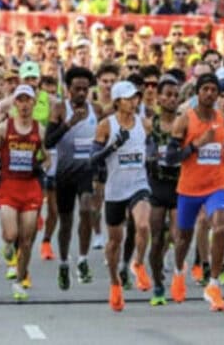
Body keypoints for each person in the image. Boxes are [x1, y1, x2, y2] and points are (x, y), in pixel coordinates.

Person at [168, 71, 224, 311]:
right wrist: (197, 144)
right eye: (205, 89)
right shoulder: (184, 120)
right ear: (197, 93)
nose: (209, 94)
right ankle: (179, 271)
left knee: (219, 226)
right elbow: (171, 157)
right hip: (189, 188)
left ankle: (214, 284)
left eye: (213, 90)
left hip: (216, 186)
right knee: (183, 239)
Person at [91, 80, 152, 312]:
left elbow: (151, 147)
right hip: (115, 188)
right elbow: (92, 159)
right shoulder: (106, 125)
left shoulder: (144, 124)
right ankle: (115, 282)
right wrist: (113, 147)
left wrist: (153, 157)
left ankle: (138, 264)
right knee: (115, 241)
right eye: (128, 98)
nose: (133, 102)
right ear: (117, 102)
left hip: (139, 184)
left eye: (135, 98)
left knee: (143, 225)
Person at [0, 84, 47, 302]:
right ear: (14, 103)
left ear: (33, 103)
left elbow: (46, 156)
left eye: (27, 100)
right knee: (11, 234)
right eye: (20, 100)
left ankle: (20, 281)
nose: (24, 105)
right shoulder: (4, 128)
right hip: (9, 185)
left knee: (27, 240)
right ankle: (7, 245)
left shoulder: (40, 129)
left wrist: (43, 166)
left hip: (30, 187)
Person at [42, 66, 99, 290]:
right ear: (68, 89)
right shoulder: (59, 109)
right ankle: (64, 263)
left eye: (85, 89)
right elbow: (48, 142)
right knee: (65, 222)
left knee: (87, 209)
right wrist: (68, 124)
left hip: (86, 171)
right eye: (77, 89)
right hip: (65, 173)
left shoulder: (96, 110)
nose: (82, 93)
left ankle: (83, 260)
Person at [145, 74, 184, 305]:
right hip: (156, 185)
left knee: (178, 236)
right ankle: (158, 282)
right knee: (157, 237)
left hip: (179, 185)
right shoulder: (150, 124)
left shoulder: (184, 123)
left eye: (176, 95)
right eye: (168, 95)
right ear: (158, 98)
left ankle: (177, 276)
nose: (172, 99)